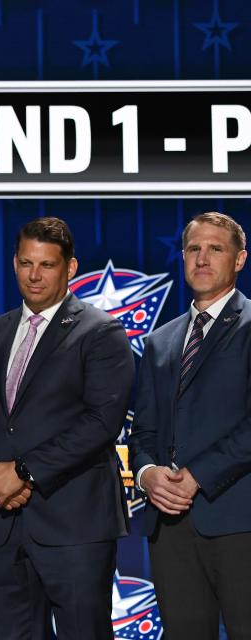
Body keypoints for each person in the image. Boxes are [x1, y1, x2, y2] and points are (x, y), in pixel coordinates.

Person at [0, 217, 134, 640]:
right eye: (26, 263)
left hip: (74, 525)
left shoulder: (100, 331)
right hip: (3, 524)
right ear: (14, 263)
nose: (34, 275)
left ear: (69, 268)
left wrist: (22, 472)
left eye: (47, 265)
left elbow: (102, 422)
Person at [129, 211, 251, 638]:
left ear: (239, 260)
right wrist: (147, 475)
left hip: (239, 520)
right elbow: (142, 430)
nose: (202, 258)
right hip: (171, 525)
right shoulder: (159, 340)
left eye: (215, 249)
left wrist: (197, 476)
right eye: (194, 249)